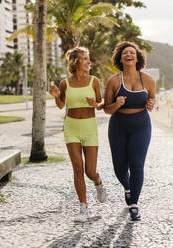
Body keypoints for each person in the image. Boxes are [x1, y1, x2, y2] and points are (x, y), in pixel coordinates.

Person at [49, 47, 107, 222]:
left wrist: (95, 104)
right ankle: (83, 208)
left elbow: (101, 103)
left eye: (88, 59)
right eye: (85, 59)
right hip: (71, 127)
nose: (89, 62)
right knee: (77, 169)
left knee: (89, 171)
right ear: (76, 62)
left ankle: (98, 182)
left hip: (89, 128)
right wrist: (55, 96)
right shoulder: (65, 83)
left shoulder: (94, 81)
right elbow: (61, 105)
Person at [103, 41, 155, 221]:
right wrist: (116, 104)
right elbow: (106, 109)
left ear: (137, 57)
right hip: (118, 126)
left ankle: (134, 204)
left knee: (137, 165)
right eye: (125, 53)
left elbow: (152, 100)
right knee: (119, 168)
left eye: (132, 53)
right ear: (120, 58)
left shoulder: (147, 79)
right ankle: (127, 187)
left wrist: (151, 104)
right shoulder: (113, 81)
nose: (129, 55)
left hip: (141, 125)